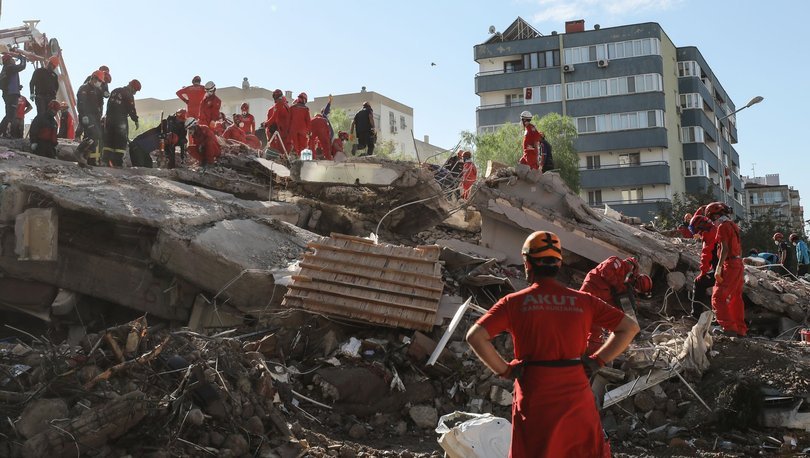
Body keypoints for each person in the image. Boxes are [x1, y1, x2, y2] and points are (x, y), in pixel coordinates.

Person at [466, 231, 639, 458]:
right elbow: (629, 327)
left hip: (536, 394)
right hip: (576, 394)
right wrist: (597, 360)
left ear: (527, 263)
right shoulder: (583, 300)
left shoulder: (513, 303)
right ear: (559, 263)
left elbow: (476, 336)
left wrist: (506, 370)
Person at [580, 256, 650, 353]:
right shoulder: (616, 261)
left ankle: (591, 352)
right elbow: (605, 272)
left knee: (595, 326)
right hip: (592, 287)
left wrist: (627, 327)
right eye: (635, 284)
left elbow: (615, 310)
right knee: (579, 314)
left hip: (602, 294)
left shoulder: (621, 283)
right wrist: (619, 286)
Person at [705, 202, 747, 336]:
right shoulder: (733, 225)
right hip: (738, 263)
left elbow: (724, 248)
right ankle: (740, 329)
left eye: (712, 218)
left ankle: (728, 328)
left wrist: (718, 268)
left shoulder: (722, 227)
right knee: (736, 297)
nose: (712, 222)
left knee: (718, 297)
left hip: (730, 264)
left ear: (716, 215)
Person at [102, 79, 141, 167]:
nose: (135, 93)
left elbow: (108, 105)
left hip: (108, 119)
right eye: (135, 91)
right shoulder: (128, 94)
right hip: (120, 120)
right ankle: (117, 162)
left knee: (109, 140)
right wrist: (135, 120)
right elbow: (131, 109)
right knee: (121, 141)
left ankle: (106, 161)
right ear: (132, 87)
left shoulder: (115, 91)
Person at [689, 214, 719, 319]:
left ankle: (695, 315)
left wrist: (703, 273)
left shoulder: (709, 234)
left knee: (699, 282)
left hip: (722, 271)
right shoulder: (716, 229)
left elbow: (706, 255)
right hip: (725, 268)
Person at [76, 71, 106, 165]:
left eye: (101, 81)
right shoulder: (84, 88)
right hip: (87, 117)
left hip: (94, 117)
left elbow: (99, 104)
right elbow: (81, 103)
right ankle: (79, 151)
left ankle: (84, 159)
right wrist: (84, 115)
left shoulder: (97, 90)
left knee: (96, 139)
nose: (99, 82)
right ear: (93, 78)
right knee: (93, 136)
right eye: (99, 80)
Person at [0, 51, 27, 138]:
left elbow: (8, 82)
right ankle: (4, 132)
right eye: (12, 59)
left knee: (9, 114)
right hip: (11, 94)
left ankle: (4, 133)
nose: (13, 60)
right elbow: (22, 66)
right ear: (8, 60)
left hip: (8, 94)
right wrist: (23, 58)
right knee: (11, 115)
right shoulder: (10, 67)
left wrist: (17, 87)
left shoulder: (6, 69)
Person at [265, 89, 290, 153]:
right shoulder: (286, 104)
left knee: (279, 148)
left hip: (281, 130)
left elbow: (273, 117)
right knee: (286, 148)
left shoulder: (278, 104)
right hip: (287, 130)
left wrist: (265, 124)